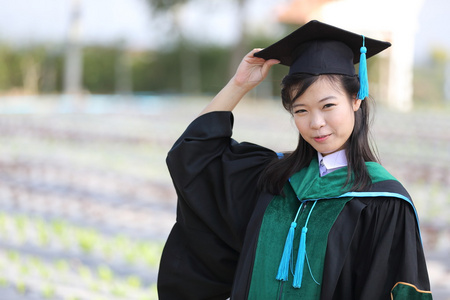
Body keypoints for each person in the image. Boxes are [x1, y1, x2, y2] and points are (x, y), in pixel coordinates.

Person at [157, 20, 432, 299]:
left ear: (355, 99)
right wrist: (239, 85)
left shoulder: (383, 201)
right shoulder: (273, 179)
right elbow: (193, 157)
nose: (316, 123)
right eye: (300, 110)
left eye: (328, 106)